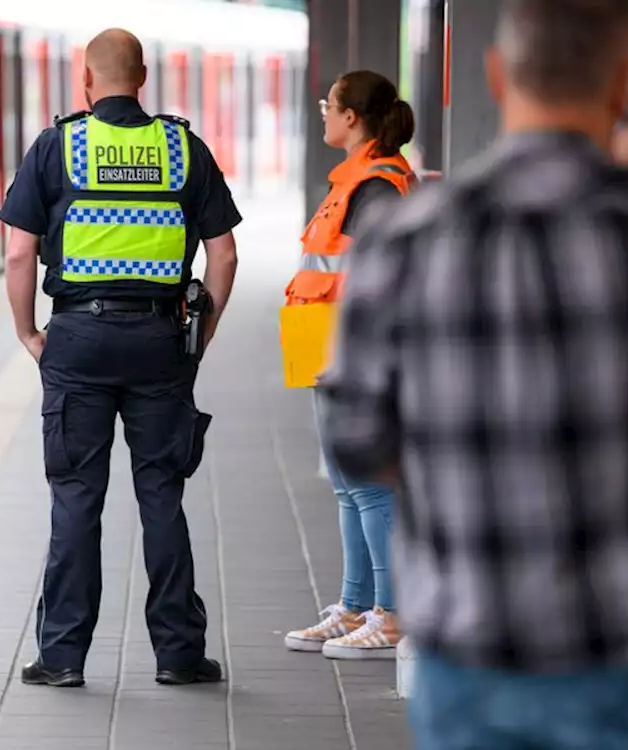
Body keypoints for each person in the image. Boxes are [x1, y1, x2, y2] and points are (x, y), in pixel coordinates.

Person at [319, 0, 628, 746]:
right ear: (621, 84)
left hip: (469, 650)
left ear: (498, 76)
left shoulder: (407, 236)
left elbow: (356, 439)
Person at [0, 27, 240, 688]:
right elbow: (223, 254)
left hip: (77, 339)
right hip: (161, 341)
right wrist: (200, 338)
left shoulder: (57, 146)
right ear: (141, 79)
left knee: (76, 497)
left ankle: (64, 656)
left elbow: (18, 252)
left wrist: (28, 334)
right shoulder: (182, 148)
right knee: (161, 494)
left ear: (86, 79)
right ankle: (179, 654)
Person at [282, 70, 416, 661]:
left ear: (352, 117)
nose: (323, 114)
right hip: (325, 344)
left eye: (327, 106)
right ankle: (357, 605)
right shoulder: (354, 180)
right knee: (346, 486)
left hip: (354, 352)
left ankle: (390, 614)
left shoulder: (377, 186)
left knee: (369, 487)